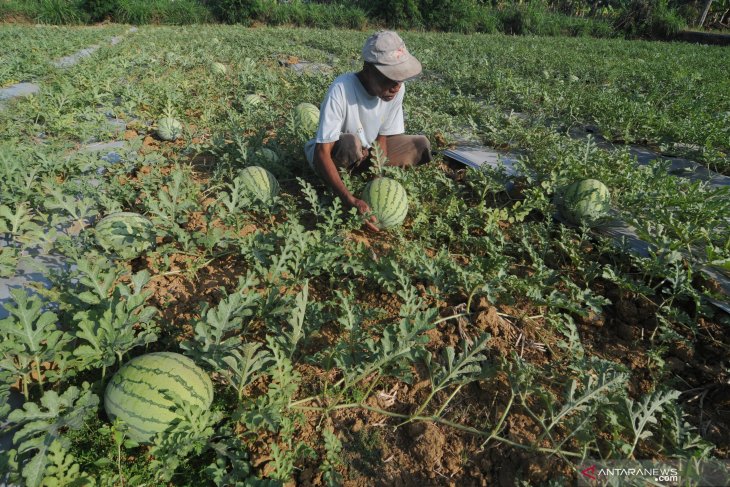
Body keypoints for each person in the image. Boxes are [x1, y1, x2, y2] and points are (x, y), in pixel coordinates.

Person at [304, 30, 432, 232]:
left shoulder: (396, 90)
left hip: (366, 151)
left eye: (399, 78)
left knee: (419, 145)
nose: (396, 86)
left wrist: (377, 179)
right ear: (368, 69)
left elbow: (382, 138)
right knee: (350, 144)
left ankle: (363, 172)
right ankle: (341, 182)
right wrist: (349, 199)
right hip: (335, 154)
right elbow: (322, 152)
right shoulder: (342, 89)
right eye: (390, 77)